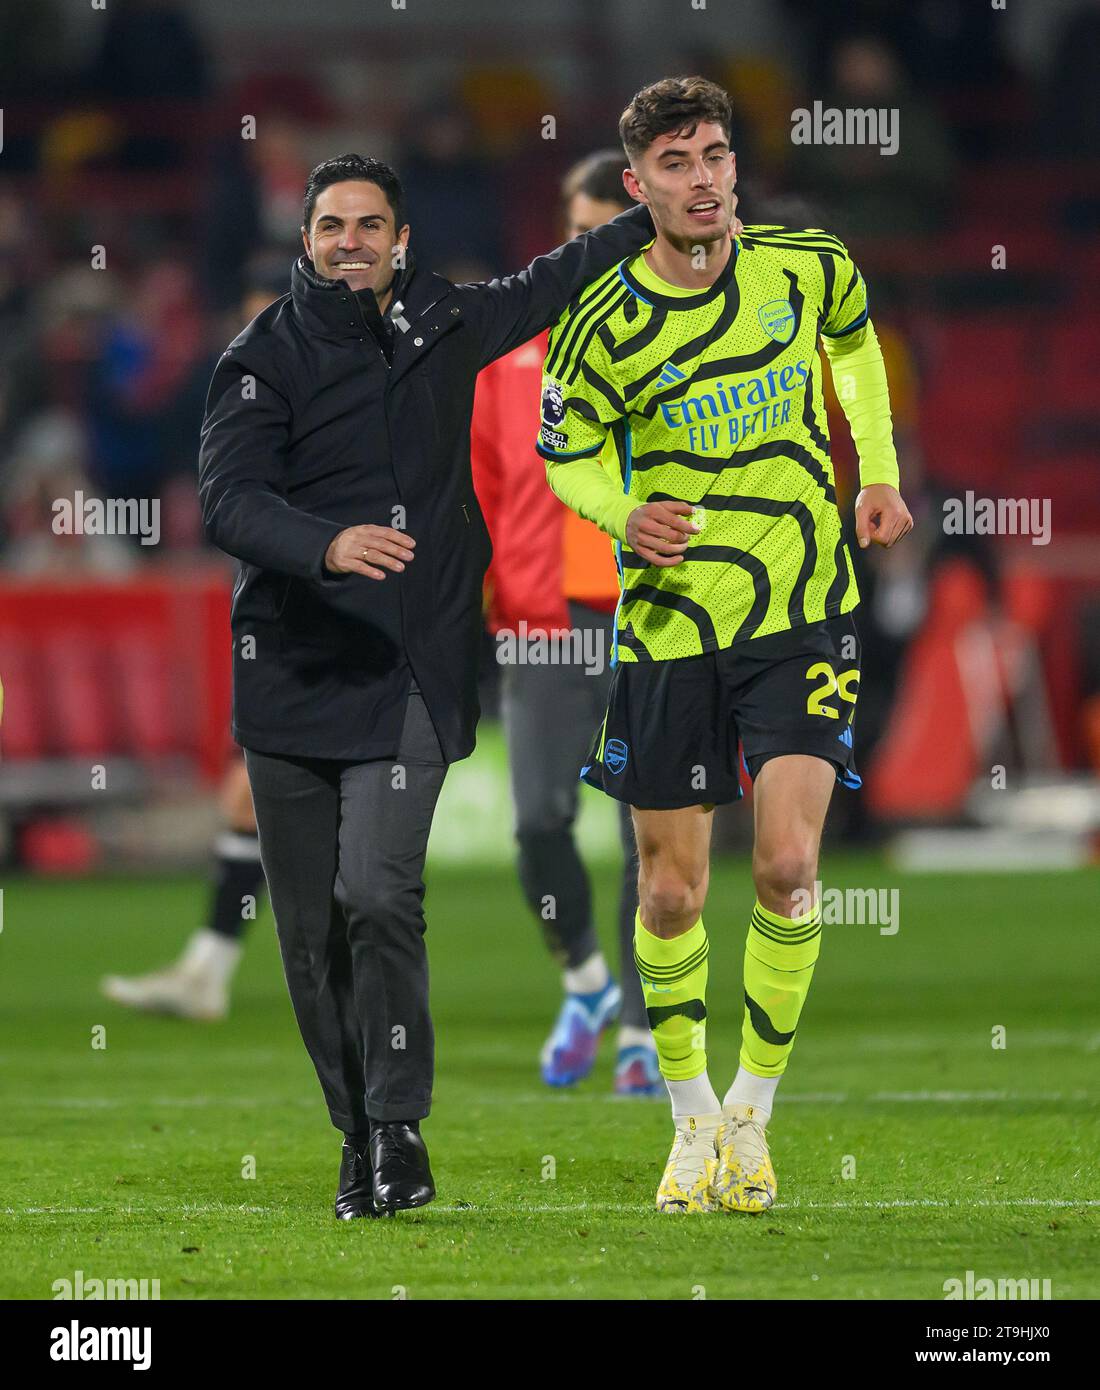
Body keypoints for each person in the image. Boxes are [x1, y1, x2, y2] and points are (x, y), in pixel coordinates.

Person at [198, 152, 654, 1220]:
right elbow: (226, 499)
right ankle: (356, 1135)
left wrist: (653, 215)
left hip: (409, 671)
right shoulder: (259, 359)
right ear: (304, 241)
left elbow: (551, 279)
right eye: (329, 226)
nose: (349, 240)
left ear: (399, 239)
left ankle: (400, 1130)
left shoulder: (444, 322)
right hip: (293, 677)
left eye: (368, 224)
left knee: (376, 892)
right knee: (310, 940)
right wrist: (326, 545)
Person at [537, 77, 912, 1214]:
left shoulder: (806, 262)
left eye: (714, 156)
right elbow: (568, 449)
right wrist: (618, 515)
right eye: (677, 164)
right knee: (670, 893)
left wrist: (878, 471)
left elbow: (850, 350)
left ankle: (750, 1113)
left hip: (800, 602)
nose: (702, 179)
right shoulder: (602, 318)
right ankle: (689, 1120)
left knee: (790, 868)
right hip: (668, 623)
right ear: (636, 184)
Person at [470, 151, 656, 1096]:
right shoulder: (506, 361)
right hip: (542, 623)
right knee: (540, 822)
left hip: (648, 618)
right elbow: (480, 496)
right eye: (581, 234)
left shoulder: (675, 344)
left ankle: (638, 1023)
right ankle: (584, 980)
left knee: (645, 833)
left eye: (610, 234)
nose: (596, 252)